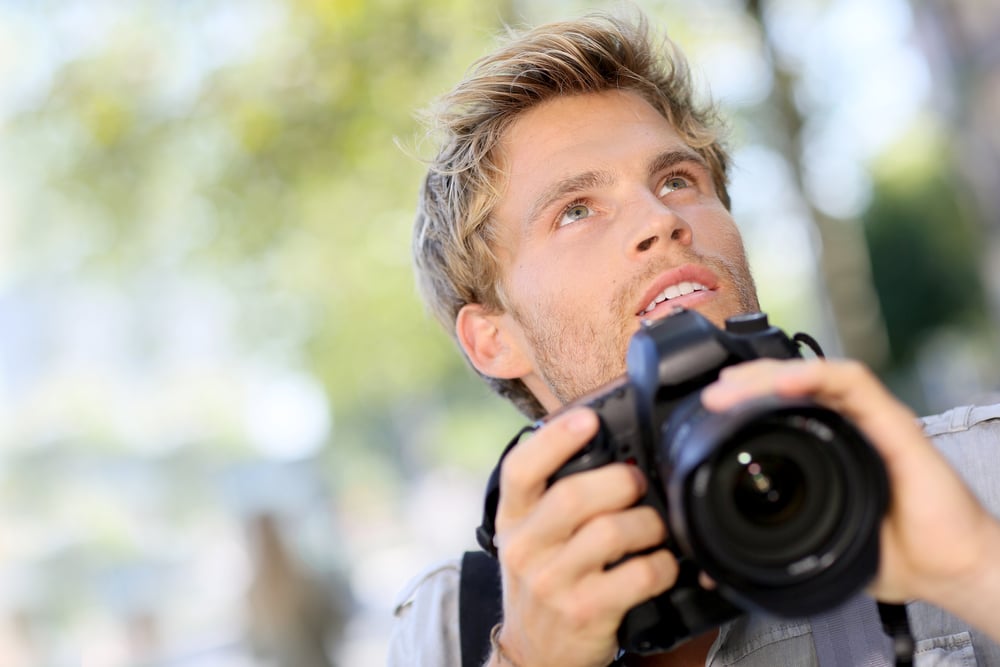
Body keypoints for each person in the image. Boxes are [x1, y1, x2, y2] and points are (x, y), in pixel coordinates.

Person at [390, 10, 1000, 667]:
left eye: (677, 180)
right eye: (575, 210)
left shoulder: (970, 478)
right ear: (492, 338)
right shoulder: (453, 626)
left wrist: (975, 570)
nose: (661, 219)